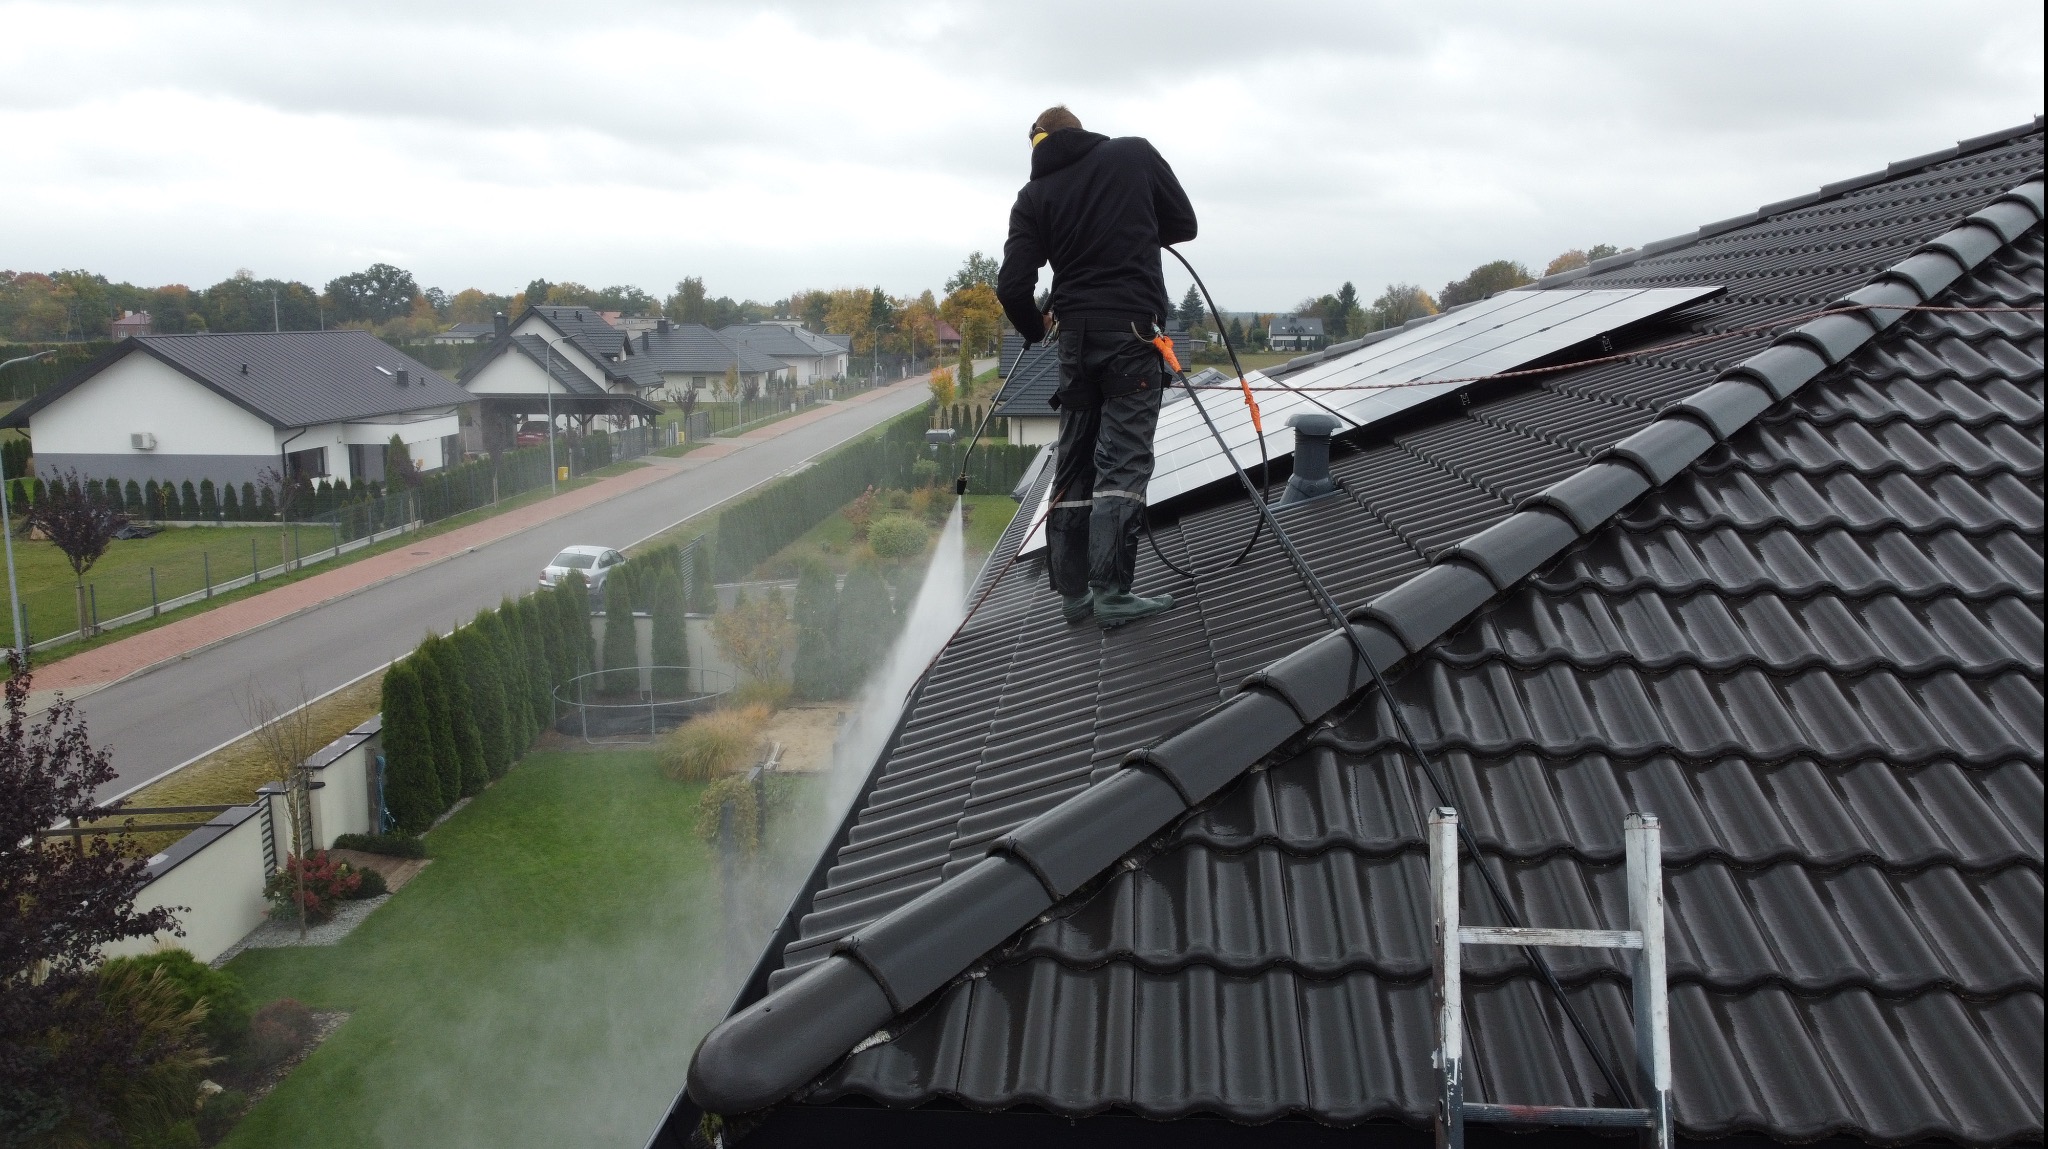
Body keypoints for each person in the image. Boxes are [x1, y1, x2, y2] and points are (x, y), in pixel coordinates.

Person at [996, 105, 1197, 629]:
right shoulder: (1133, 154)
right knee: (1123, 461)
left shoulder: (1033, 196)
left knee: (1075, 461)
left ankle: (1074, 594)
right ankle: (1112, 592)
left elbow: (1012, 287)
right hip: (1131, 335)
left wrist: (1035, 328)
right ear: (1079, 131)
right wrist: (1130, 226)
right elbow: (1184, 225)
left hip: (1074, 342)